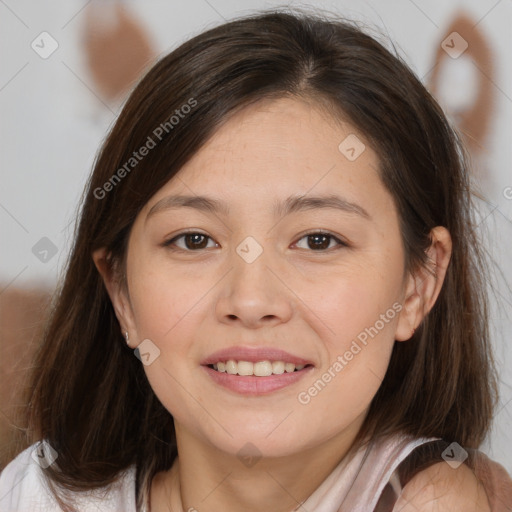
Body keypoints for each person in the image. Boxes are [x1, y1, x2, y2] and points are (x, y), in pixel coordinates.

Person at [1, 7, 511, 512]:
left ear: (418, 284)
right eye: (194, 240)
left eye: (318, 241)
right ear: (120, 291)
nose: (250, 300)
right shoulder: (31, 497)